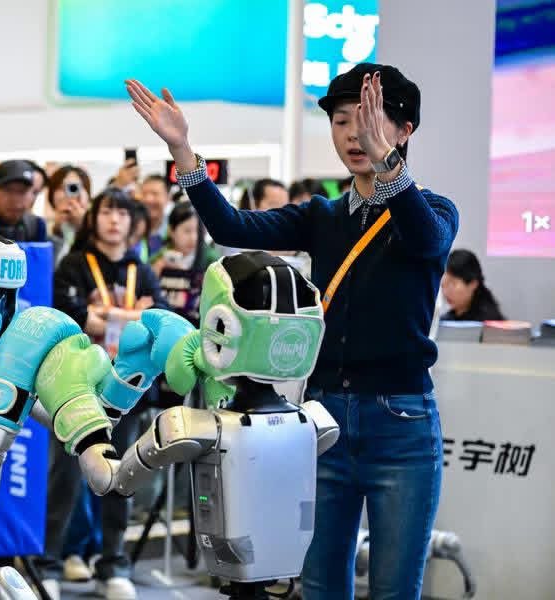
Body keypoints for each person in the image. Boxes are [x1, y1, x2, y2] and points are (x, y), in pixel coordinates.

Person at [126, 61, 458, 599]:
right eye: (342, 121)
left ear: (404, 131)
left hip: (400, 422)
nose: (354, 134)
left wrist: (390, 167)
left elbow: (424, 240)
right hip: (322, 420)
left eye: (370, 119)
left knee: (396, 588)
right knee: (321, 584)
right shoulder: (322, 215)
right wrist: (183, 151)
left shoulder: (434, 211)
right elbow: (231, 227)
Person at [43, 187, 168, 600]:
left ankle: (113, 564)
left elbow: (158, 324)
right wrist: (119, 316)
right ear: (95, 217)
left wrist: (105, 315)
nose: (114, 220)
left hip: (126, 390)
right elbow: (69, 319)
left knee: (123, 476)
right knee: (65, 479)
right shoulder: (74, 266)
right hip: (76, 388)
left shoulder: (143, 270)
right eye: (107, 211)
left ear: (134, 223)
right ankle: (50, 564)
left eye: (122, 213)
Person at [150, 201, 220, 324]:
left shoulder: (211, 259)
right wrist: (156, 270)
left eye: (198, 231)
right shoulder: (158, 257)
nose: (193, 238)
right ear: (171, 231)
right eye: (187, 231)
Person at [441, 249, 505, 321]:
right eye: (443, 285)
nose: (446, 292)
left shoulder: (490, 323)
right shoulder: (445, 320)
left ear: (473, 284)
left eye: (453, 284)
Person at [47, 164, 92, 265]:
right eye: (61, 187)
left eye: (75, 187)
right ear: (52, 195)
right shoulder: (41, 228)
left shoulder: (98, 227)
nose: (69, 193)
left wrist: (84, 227)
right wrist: (56, 232)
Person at [138, 174, 171, 260]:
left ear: (167, 198)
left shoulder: (176, 228)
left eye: (155, 194)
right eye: (144, 194)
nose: (148, 199)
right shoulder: (132, 230)